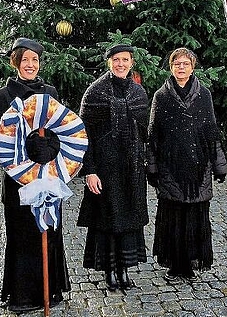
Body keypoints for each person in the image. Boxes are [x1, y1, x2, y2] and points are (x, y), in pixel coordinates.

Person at [0, 37, 70, 312]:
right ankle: (23, 295)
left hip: (48, 175)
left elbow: (61, 129)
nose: (30, 65)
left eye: (34, 60)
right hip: (19, 179)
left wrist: (48, 148)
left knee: (48, 230)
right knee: (23, 234)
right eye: (25, 60)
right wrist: (27, 153)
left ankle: (51, 290)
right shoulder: (4, 95)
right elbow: (0, 139)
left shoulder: (50, 92)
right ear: (16, 63)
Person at [147, 47, 227, 283]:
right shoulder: (161, 96)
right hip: (170, 167)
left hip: (198, 167)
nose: (181, 68)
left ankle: (191, 262)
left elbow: (212, 131)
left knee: (194, 218)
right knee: (173, 218)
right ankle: (175, 264)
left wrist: (219, 166)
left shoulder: (204, 95)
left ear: (192, 67)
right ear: (171, 67)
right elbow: (153, 135)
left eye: (185, 64)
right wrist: (152, 168)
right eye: (176, 64)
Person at [76, 43, 150, 292]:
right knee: (108, 220)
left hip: (131, 168)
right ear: (109, 62)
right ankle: (109, 270)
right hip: (105, 169)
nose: (121, 64)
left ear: (131, 63)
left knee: (128, 219)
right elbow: (82, 135)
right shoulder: (95, 92)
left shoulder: (139, 93)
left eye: (125, 60)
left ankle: (124, 268)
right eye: (116, 60)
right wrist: (90, 170)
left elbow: (145, 132)